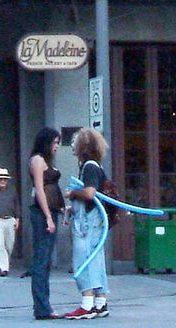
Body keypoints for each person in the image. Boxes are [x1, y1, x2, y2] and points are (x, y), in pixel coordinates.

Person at [64, 128, 109, 320]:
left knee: (84, 259)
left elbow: (89, 194)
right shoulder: (95, 166)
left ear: (83, 146)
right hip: (94, 220)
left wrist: (72, 194)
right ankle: (100, 302)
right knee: (96, 259)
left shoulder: (89, 167)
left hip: (87, 223)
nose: (72, 144)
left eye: (75, 141)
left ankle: (87, 304)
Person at [29, 127, 65, 320]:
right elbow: (40, 190)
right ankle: (42, 307)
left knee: (45, 259)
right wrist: (48, 217)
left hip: (51, 210)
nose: (57, 147)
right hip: (43, 213)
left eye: (58, 143)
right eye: (55, 143)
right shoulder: (37, 160)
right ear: (46, 143)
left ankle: (44, 305)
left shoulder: (45, 161)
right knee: (42, 259)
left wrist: (60, 209)